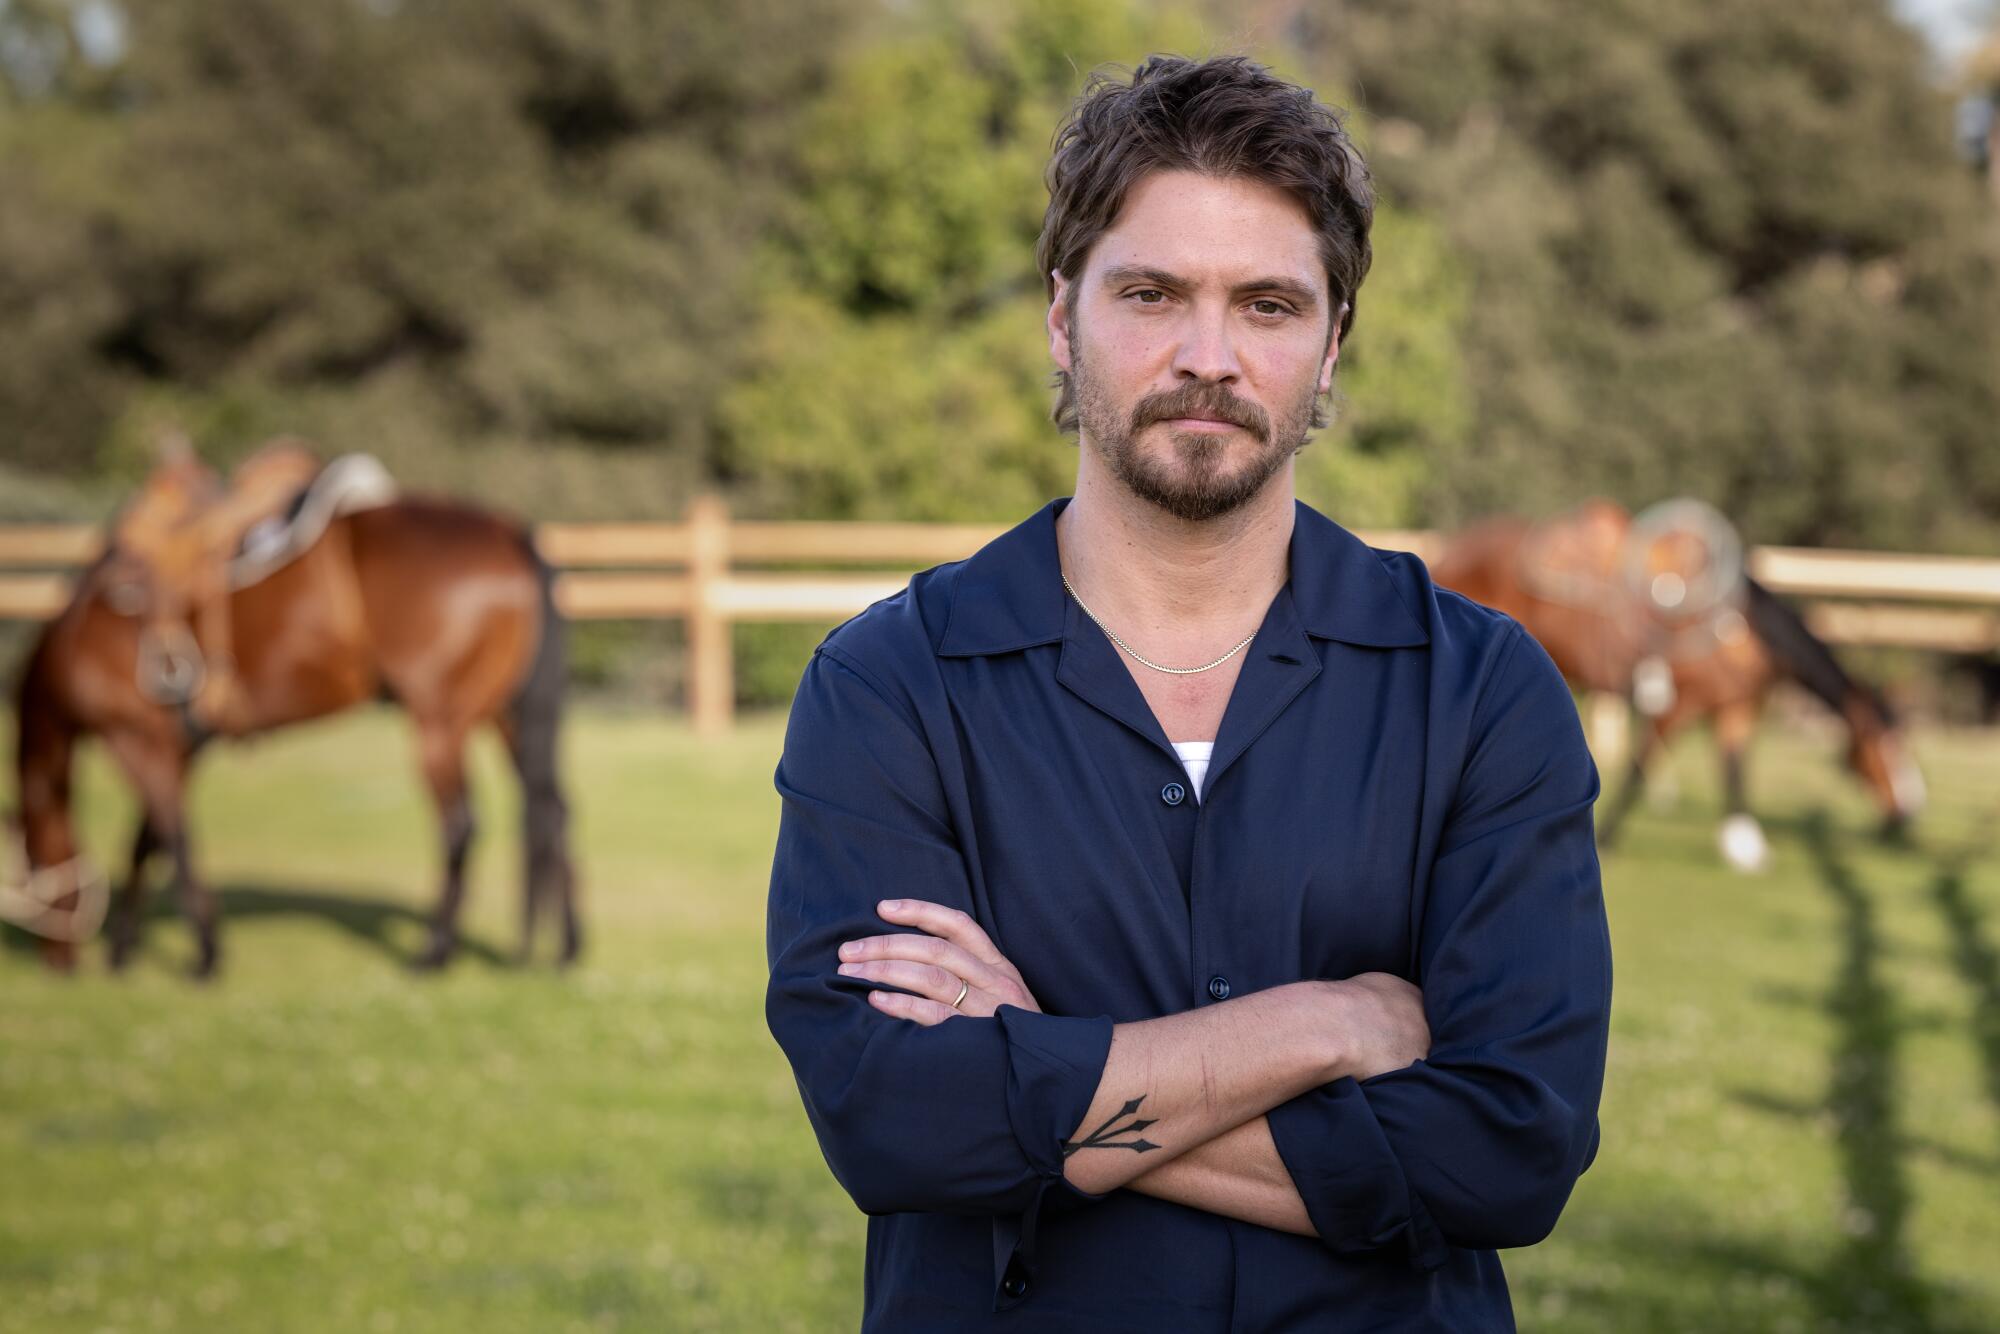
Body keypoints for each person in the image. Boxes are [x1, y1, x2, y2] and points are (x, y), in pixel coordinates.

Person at [765, 53, 1611, 1332]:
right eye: (1151, 292)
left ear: (1331, 344)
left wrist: (1034, 1059)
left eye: (1266, 306)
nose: (1206, 355)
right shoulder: (889, 683)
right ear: (1062, 318)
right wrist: (1328, 1022)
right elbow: (895, 1121)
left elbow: (1509, 1146)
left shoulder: (1482, 690)